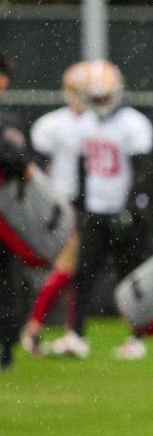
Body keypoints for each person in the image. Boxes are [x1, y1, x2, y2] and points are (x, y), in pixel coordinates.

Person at [44, 60, 153, 361]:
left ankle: (136, 337)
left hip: (125, 212)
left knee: (130, 278)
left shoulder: (134, 124)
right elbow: (83, 166)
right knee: (84, 275)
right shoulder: (86, 124)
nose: (100, 103)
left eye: (104, 96)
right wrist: (81, 204)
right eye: (95, 98)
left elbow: (143, 170)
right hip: (96, 210)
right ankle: (76, 334)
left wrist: (130, 207)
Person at [21, 61, 89, 356]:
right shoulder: (54, 125)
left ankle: (68, 331)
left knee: (74, 271)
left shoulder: (95, 124)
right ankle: (36, 328)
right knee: (67, 268)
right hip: (62, 203)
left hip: (87, 202)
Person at [0, 53, 35, 372]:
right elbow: (20, 163)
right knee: (7, 284)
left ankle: (7, 347)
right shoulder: (6, 121)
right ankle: (6, 348)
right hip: (4, 215)